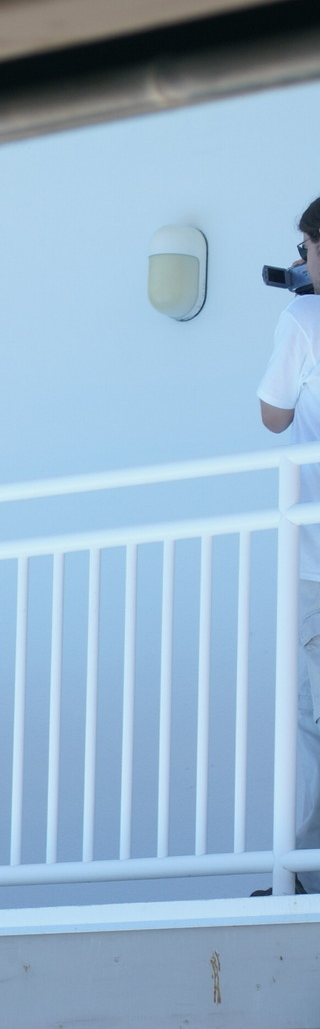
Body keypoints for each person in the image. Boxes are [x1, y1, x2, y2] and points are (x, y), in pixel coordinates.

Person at [256, 194, 320, 894]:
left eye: (306, 249)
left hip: (315, 554)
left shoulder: (304, 317)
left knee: (310, 716)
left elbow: (273, 416)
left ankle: (305, 875)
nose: (301, 261)